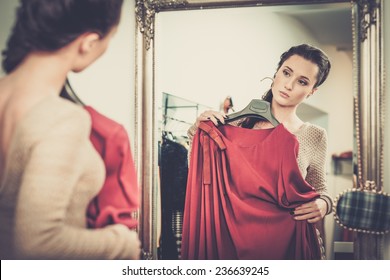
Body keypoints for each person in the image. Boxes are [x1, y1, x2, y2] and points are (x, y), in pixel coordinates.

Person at [0, 0, 141, 259]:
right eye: (111, 38)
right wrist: (122, 243)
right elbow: (38, 243)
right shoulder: (63, 119)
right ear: (88, 43)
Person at [185, 44, 332, 258]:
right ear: (276, 73)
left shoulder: (313, 135)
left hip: (287, 242)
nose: (289, 85)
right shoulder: (234, 126)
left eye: (302, 81)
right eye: (286, 72)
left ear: (311, 91)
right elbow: (202, 178)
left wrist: (324, 203)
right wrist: (197, 131)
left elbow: (320, 188)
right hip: (229, 241)